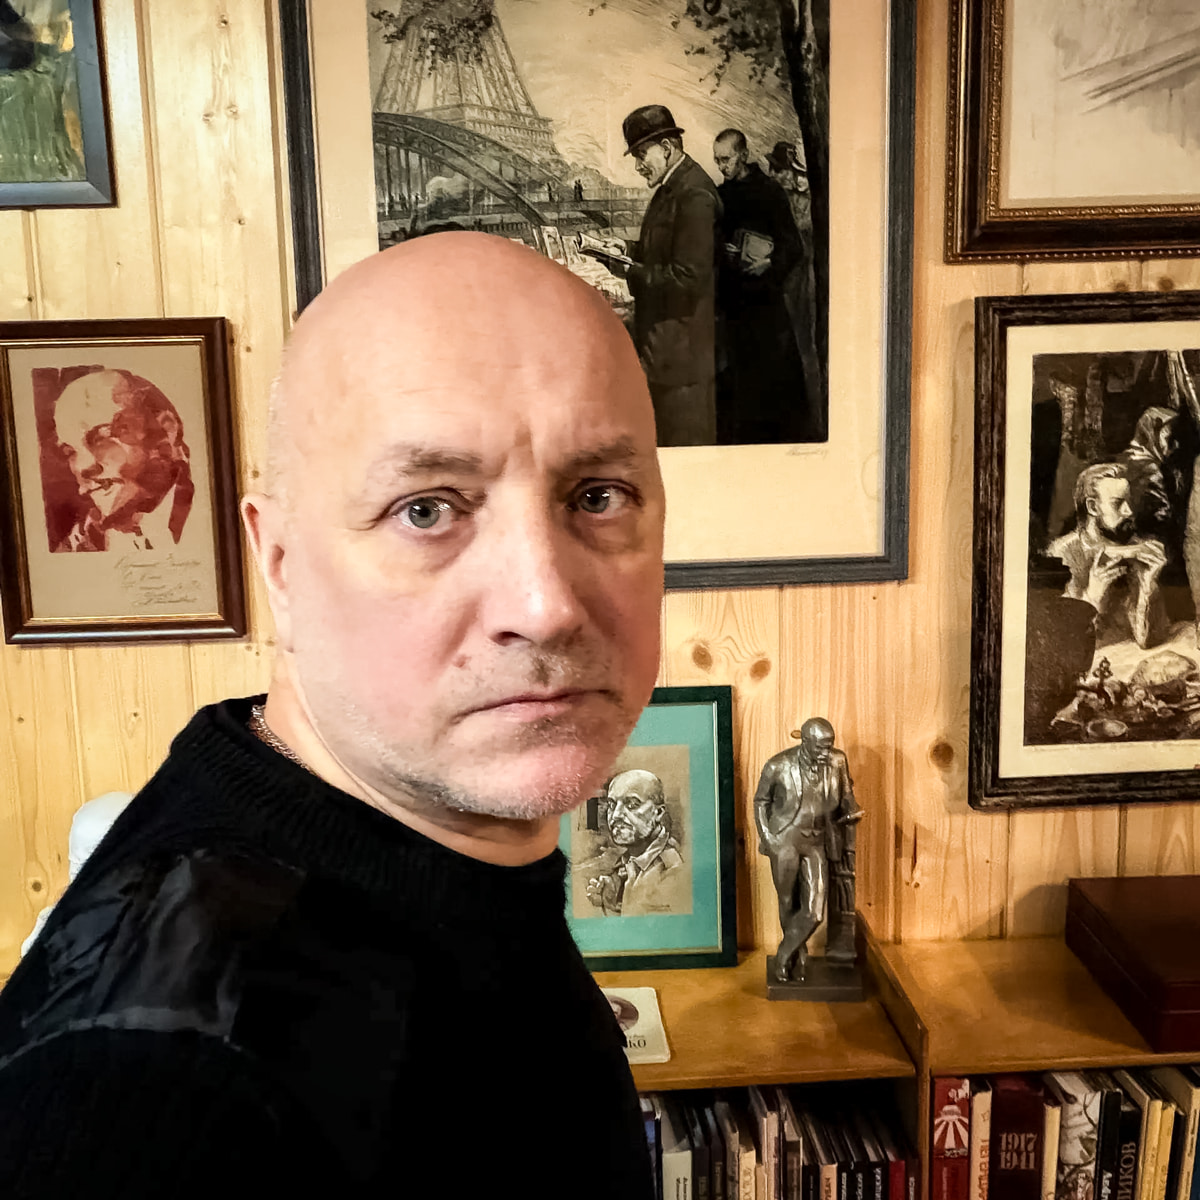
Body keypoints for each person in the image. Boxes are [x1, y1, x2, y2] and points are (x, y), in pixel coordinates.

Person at [0, 234, 665, 1198]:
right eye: (427, 510)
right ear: (279, 564)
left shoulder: (433, 849)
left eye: (598, 496)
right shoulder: (155, 1084)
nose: (546, 604)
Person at [599, 103, 720, 447]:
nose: (638, 166)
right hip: (667, 354)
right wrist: (624, 247)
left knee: (682, 451)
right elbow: (665, 249)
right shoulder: (674, 187)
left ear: (666, 148)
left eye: (641, 155)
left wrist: (630, 271)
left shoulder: (695, 195)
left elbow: (688, 278)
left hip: (683, 361)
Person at [712, 128, 810, 445]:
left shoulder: (770, 192)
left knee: (771, 388)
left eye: (726, 159)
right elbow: (712, 245)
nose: (721, 166)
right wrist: (723, 250)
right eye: (717, 160)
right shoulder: (719, 196)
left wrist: (768, 263)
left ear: (743, 155)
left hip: (765, 306)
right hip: (733, 306)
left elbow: (793, 247)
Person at [753, 718, 863, 983]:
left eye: (829, 745)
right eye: (820, 746)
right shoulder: (777, 765)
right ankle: (798, 955)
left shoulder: (838, 761)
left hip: (817, 841)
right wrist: (768, 838)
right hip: (785, 840)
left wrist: (852, 809)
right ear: (805, 742)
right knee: (787, 902)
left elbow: (846, 795)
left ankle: (783, 954)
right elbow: (760, 802)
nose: (826, 752)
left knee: (814, 911)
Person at [42, 366, 194, 552]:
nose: (84, 466)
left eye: (101, 437)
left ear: (167, 429)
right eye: (70, 451)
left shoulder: (207, 516)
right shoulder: (82, 541)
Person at [1047, 461, 1168, 650]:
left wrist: (1147, 585)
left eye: (1128, 502)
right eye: (1117, 503)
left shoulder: (1135, 549)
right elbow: (1058, 641)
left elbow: (1148, 640)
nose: (1128, 511)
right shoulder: (1062, 553)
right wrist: (1092, 596)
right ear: (1093, 507)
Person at [584, 769, 683, 916]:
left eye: (632, 804)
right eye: (612, 805)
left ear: (658, 813)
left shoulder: (674, 872)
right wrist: (610, 904)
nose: (616, 815)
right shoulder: (626, 862)